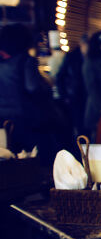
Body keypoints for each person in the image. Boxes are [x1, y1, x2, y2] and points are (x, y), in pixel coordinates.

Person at [0, 24, 71, 165]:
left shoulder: (3, 62)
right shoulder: (25, 60)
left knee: (14, 162)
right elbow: (32, 88)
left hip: (5, 120)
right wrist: (46, 85)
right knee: (43, 159)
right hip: (29, 120)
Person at [56, 34, 88, 136]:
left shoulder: (91, 57)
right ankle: (79, 149)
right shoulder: (72, 57)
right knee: (77, 126)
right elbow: (60, 77)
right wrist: (64, 95)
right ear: (82, 44)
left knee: (87, 126)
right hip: (74, 96)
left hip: (87, 97)